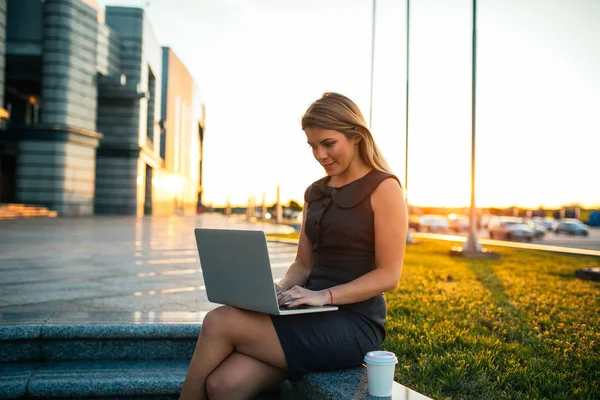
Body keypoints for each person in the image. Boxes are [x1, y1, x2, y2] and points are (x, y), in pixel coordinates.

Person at [179, 92, 407, 400]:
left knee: (218, 321)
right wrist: (279, 289)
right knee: (224, 385)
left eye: (328, 143)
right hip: (305, 312)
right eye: (313, 146)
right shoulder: (315, 192)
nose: (320, 155)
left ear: (355, 136)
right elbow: (303, 265)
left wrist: (322, 296)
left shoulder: (384, 188)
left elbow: (388, 275)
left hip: (354, 324)